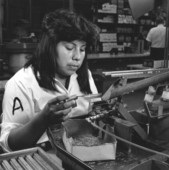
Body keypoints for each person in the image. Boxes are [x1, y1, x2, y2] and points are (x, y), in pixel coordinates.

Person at [0, 9, 99, 152]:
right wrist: (43, 119)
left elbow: (93, 112)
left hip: (82, 149)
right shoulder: (20, 83)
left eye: (82, 49)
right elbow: (8, 145)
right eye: (69, 47)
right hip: (41, 156)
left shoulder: (84, 75)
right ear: (50, 47)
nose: (77, 56)